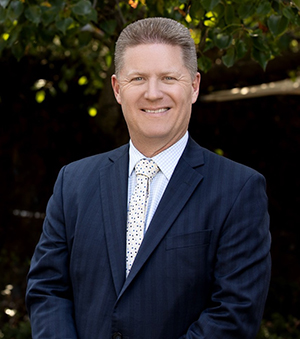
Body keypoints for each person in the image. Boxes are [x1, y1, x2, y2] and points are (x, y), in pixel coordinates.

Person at [26, 17, 271, 339]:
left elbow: (233, 314)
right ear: (117, 88)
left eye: (168, 78)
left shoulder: (239, 189)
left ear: (194, 86)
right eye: (138, 78)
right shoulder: (73, 181)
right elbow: (47, 290)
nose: (153, 93)